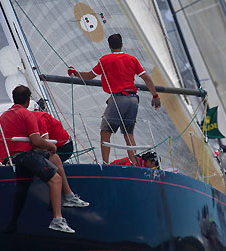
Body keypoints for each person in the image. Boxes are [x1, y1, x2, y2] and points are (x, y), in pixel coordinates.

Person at [68, 33, 161, 164]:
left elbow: (89, 76)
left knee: (105, 132)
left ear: (109, 46)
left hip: (118, 99)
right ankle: (135, 165)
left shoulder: (105, 60)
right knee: (129, 134)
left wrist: (75, 73)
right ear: (122, 45)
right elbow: (147, 78)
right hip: (133, 99)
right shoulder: (132, 59)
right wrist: (155, 96)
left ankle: (105, 164)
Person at [0, 85, 76, 233]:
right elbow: (37, 141)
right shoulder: (27, 114)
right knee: (55, 178)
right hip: (23, 155)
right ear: (28, 100)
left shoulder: (4, 116)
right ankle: (57, 219)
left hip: (10, 157)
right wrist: (51, 146)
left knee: (23, 189)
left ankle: (13, 223)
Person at [32, 109, 89, 208]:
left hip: (63, 147)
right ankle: (67, 196)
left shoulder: (39, 119)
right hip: (50, 146)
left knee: (53, 157)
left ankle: (67, 196)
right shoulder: (26, 120)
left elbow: (46, 145)